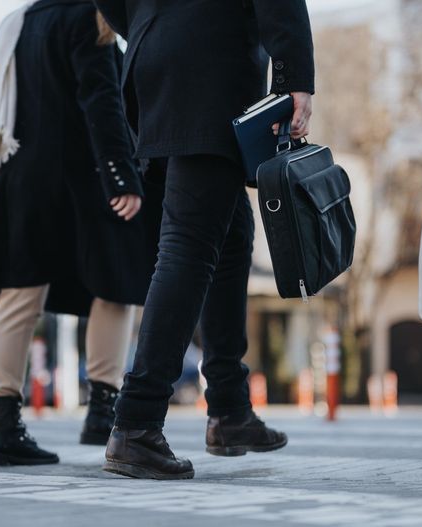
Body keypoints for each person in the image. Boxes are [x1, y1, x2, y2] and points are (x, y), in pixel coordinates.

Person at [94, 0, 315, 480]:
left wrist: (152, 22)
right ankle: (136, 422)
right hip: (210, 64)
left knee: (232, 236)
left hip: (159, 62)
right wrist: (294, 76)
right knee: (189, 245)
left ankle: (230, 410)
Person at [0, 0, 161, 466]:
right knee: (116, 287)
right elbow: (102, 98)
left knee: (18, 297)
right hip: (82, 180)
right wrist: (122, 176)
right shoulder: (87, 16)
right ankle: (102, 409)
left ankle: (2, 424)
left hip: (21, 177)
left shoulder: (21, 20)